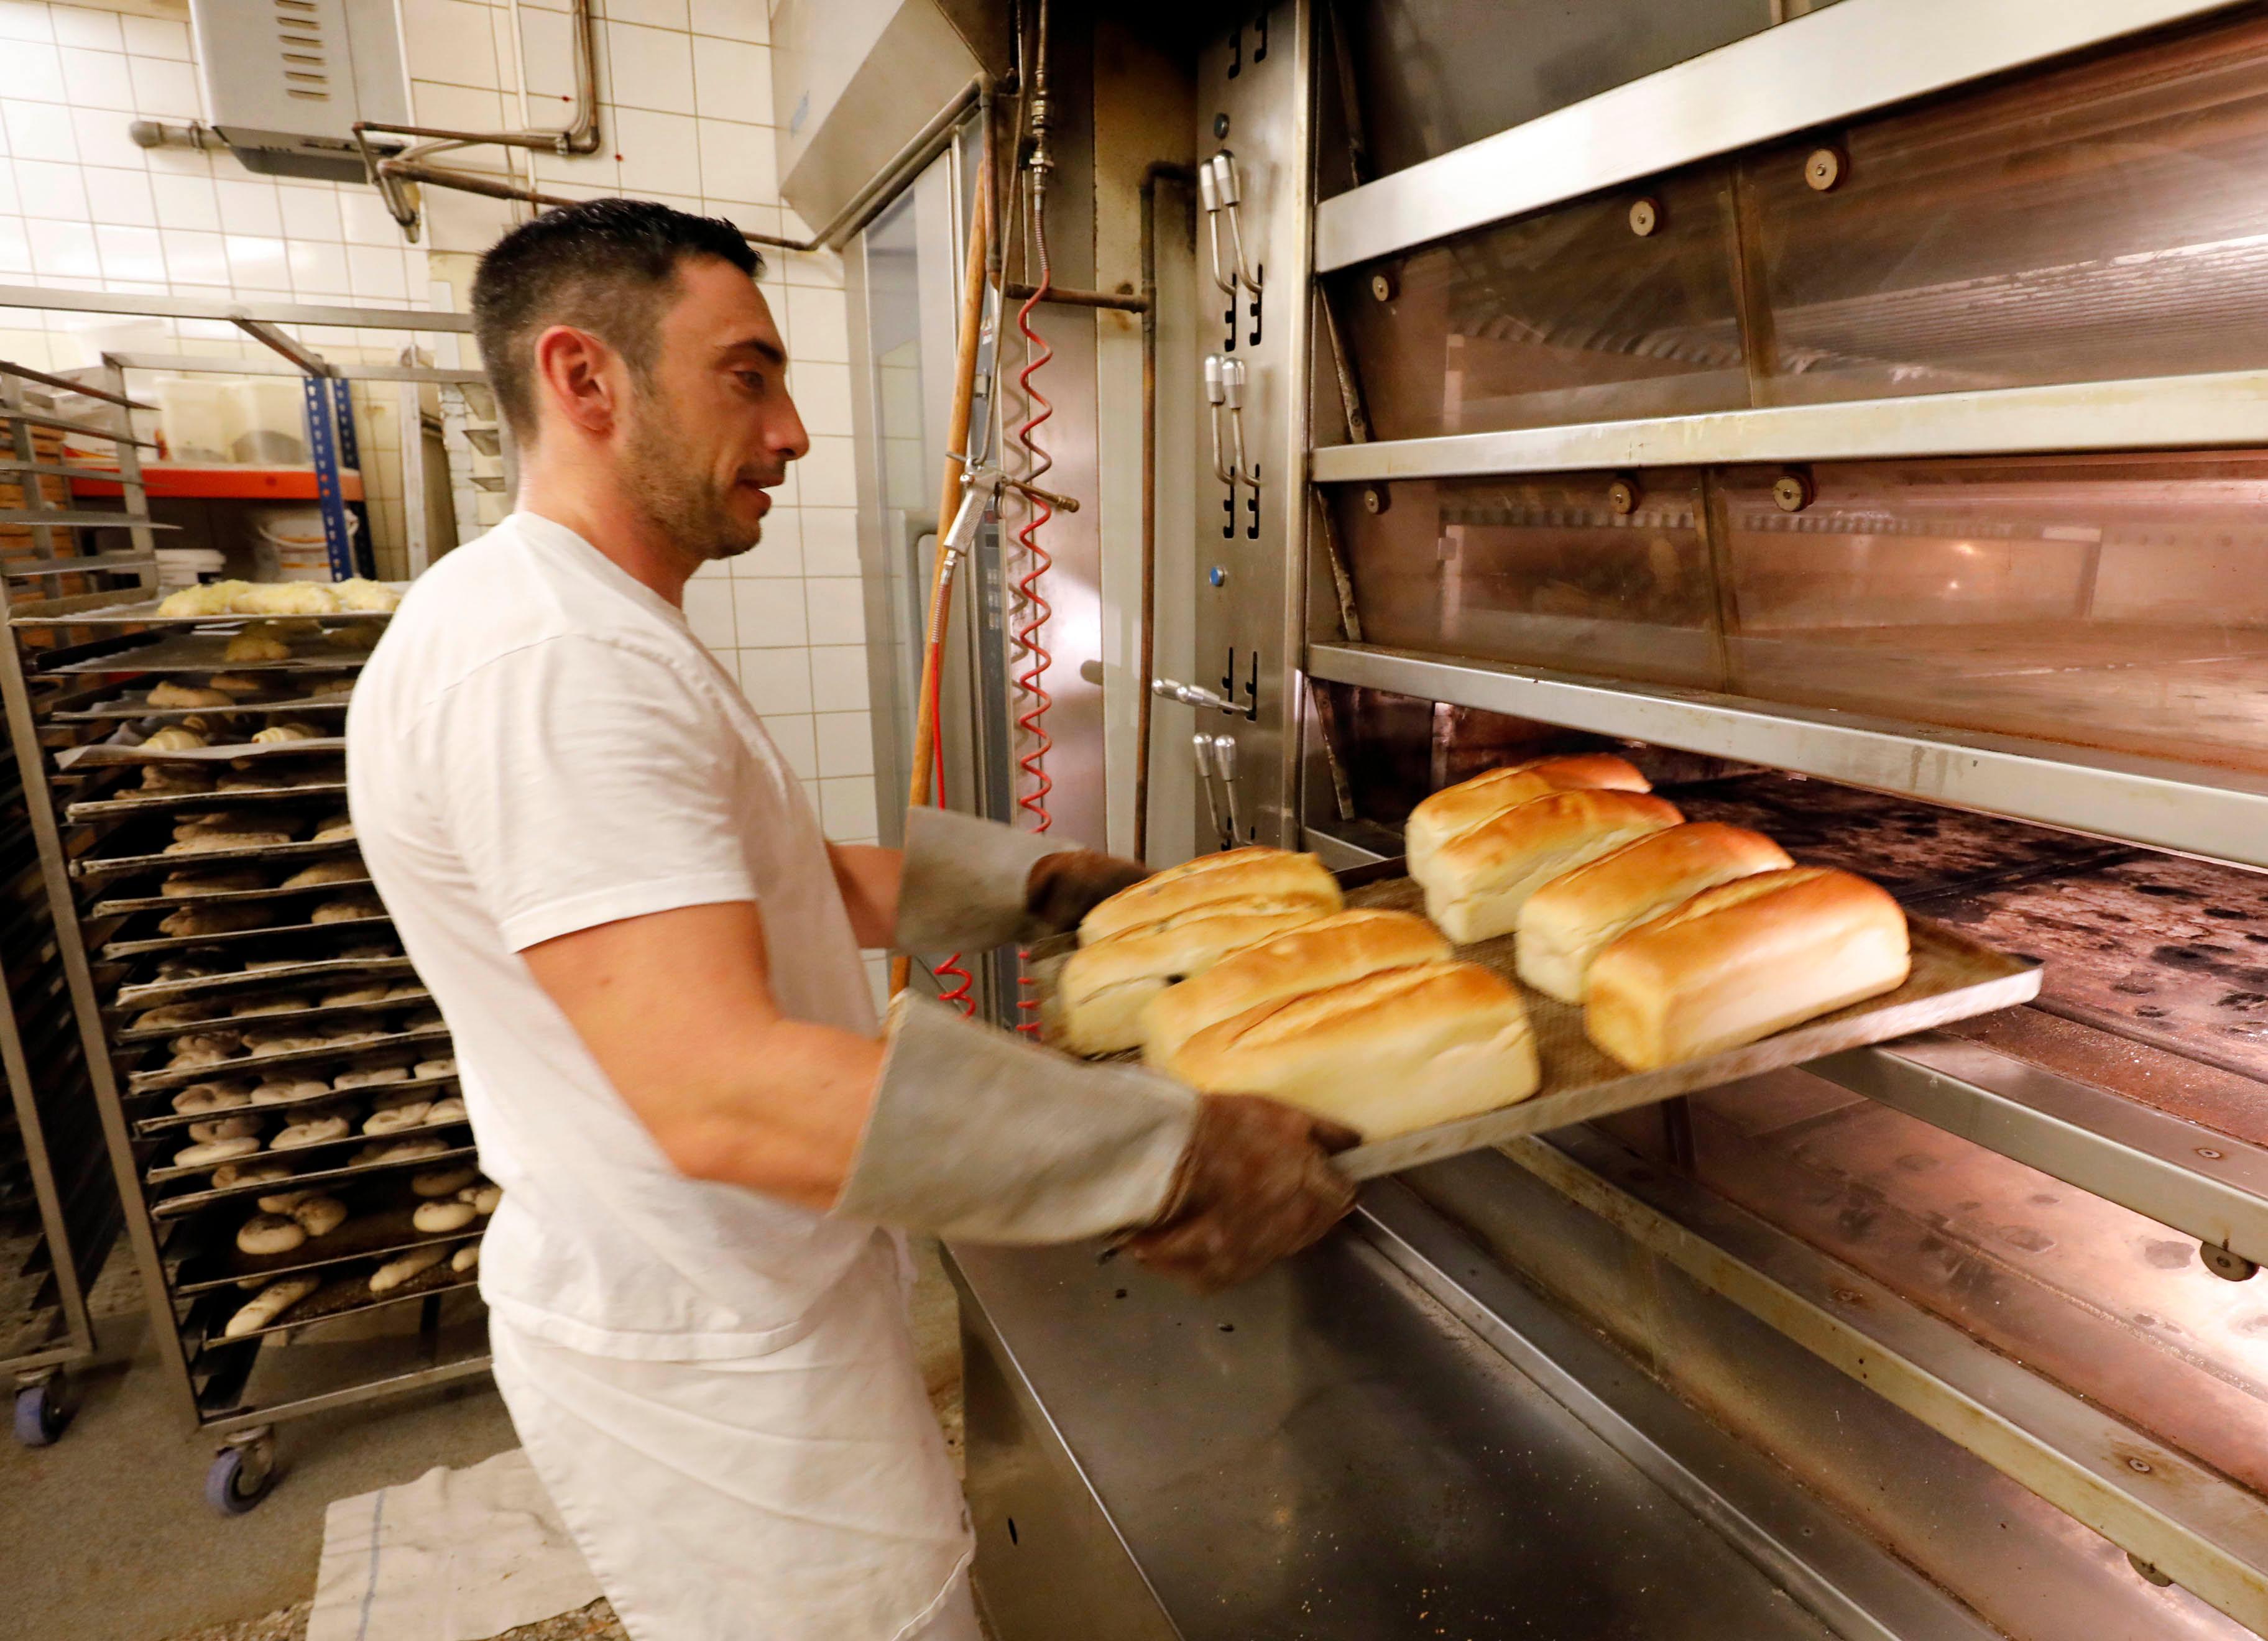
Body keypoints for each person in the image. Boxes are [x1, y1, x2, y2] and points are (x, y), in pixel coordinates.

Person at [346, 199, 1355, 1641]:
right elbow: (722, 1090)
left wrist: (1040, 891)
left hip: (746, 1296)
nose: (795, 431)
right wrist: (1165, 1151)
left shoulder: (576, 623)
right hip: (712, 1346)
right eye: (746, 375)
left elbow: (783, 879)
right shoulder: (555, 664)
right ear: (585, 379)